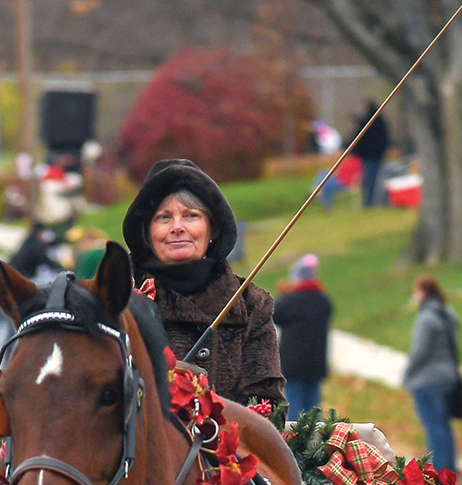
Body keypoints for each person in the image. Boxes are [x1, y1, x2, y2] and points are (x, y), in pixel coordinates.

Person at [122, 158, 285, 406]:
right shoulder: (116, 300)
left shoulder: (251, 305)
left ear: (213, 228)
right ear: (146, 233)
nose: (177, 227)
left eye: (191, 216)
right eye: (163, 217)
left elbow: (267, 405)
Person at [0, 221, 63, 364]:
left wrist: (64, 240)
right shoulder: (35, 246)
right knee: (11, 325)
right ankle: (8, 362)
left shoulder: (30, 242)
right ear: (40, 233)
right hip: (8, 288)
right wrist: (67, 270)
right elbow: (47, 260)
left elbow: (50, 244)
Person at [403, 275, 458, 474]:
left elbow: (419, 352)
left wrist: (407, 375)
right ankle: (449, 467)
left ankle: (439, 471)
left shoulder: (426, 318)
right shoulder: (447, 313)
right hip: (448, 376)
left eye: (416, 291)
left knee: (433, 427)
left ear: (423, 292)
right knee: (443, 426)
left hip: (428, 380)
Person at [273, 254, 333, 418]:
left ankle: (295, 440)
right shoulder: (323, 301)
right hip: (316, 364)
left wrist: (284, 294)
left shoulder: (290, 301)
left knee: (295, 406)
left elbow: (275, 315)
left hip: (293, 365)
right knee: (314, 405)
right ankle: (315, 439)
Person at [351, 100, 390, 208]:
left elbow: (363, 139)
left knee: (371, 181)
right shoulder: (379, 122)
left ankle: (370, 203)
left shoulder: (371, 123)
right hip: (375, 156)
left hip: (371, 157)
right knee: (376, 181)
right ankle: (376, 203)